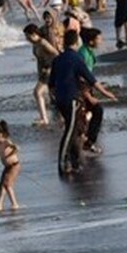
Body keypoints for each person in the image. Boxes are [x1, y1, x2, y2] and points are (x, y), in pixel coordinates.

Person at [49, 30, 117, 174]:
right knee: (70, 131)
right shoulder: (77, 58)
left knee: (75, 128)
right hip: (71, 99)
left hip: (61, 99)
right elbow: (91, 80)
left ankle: (75, 162)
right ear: (76, 42)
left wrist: (56, 99)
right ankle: (63, 162)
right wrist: (106, 93)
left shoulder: (58, 59)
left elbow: (51, 85)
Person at [24, 20, 61, 127]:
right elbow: (39, 60)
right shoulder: (35, 44)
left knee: (37, 92)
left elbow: (56, 54)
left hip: (50, 71)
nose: (27, 39)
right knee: (54, 95)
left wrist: (49, 68)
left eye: (28, 36)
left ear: (34, 34)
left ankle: (44, 119)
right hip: (43, 72)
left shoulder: (43, 42)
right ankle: (60, 116)